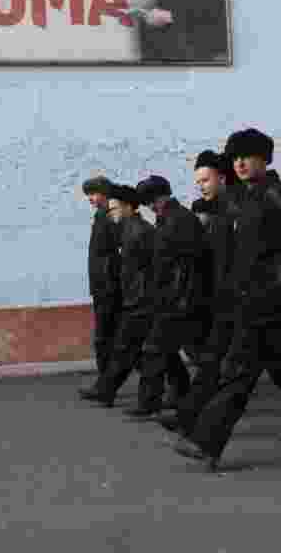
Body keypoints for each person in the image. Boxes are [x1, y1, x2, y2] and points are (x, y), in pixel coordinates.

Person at [175, 128, 281, 469]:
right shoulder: (242, 200)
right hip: (252, 307)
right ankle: (206, 444)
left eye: (247, 155)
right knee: (237, 375)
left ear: (265, 159)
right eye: (235, 156)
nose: (239, 162)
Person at [161, 151, 242, 436]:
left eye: (205, 179)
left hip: (245, 302)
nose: (201, 186)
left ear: (222, 177)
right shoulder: (220, 210)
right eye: (198, 181)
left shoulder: (236, 209)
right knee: (212, 364)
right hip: (225, 302)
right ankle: (189, 418)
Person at [126, 175, 208, 418]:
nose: (151, 207)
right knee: (172, 351)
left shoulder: (177, 220)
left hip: (177, 299)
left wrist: (177, 297)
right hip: (174, 297)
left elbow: (186, 264)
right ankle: (183, 393)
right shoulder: (170, 218)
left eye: (153, 201)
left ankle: (150, 403)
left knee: (156, 350)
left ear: (163, 197)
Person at [81, 184, 156, 408]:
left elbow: (151, 268)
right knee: (131, 349)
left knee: (133, 349)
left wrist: (138, 295)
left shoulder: (139, 231)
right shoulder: (127, 228)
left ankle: (153, 398)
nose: (110, 213)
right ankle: (108, 391)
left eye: (114, 209)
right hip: (134, 298)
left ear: (128, 207)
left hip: (140, 300)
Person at [78, 175, 121, 394]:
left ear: (105, 193)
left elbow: (114, 254)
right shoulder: (101, 216)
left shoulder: (111, 218)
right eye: (89, 195)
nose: (91, 199)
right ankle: (106, 384)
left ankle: (105, 385)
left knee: (105, 339)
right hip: (102, 286)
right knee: (110, 339)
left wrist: (109, 282)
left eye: (94, 194)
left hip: (108, 287)